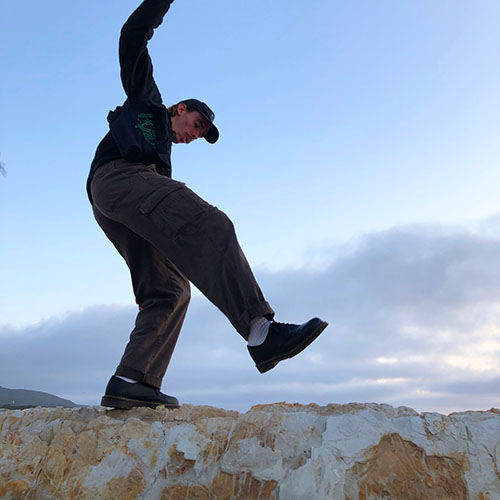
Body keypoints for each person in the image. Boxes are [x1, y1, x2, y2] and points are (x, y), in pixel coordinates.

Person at [87, 0, 328, 410]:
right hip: (119, 179)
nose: (194, 134)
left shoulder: (162, 158)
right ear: (181, 109)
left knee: (170, 290)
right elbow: (132, 37)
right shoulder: (149, 102)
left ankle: (131, 380)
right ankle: (261, 331)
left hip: (116, 202)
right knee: (212, 225)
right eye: (196, 124)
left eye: (200, 135)